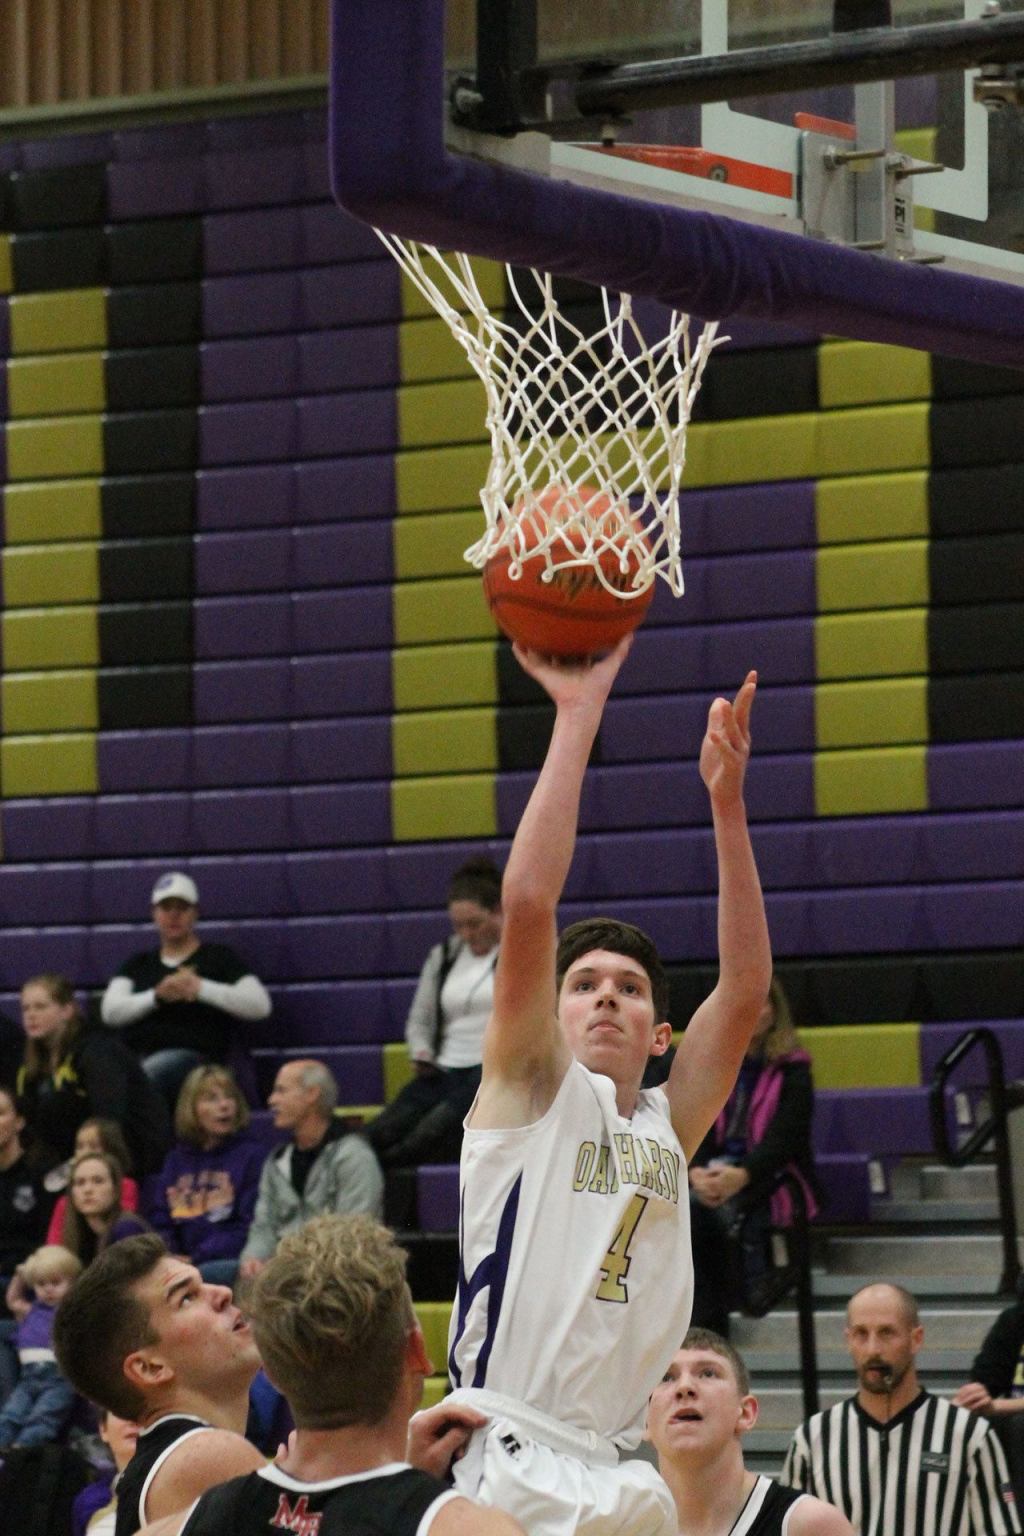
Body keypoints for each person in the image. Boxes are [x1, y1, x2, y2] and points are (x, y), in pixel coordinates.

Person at [445, 639, 772, 1536]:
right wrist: (578, 713)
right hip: (508, 1447)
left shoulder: (669, 1124)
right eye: (584, 984)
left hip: (619, 1464)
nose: (605, 998)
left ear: (660, 1034)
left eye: (628, 989)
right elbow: (527, 902)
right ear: (548, 1016)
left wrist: (728, 806)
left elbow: (745, 991)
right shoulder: (529, 1087)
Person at [53, 1231, 500, 1535]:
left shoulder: (176, 1457)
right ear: (150, 1369)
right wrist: (406, 1493)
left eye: (203, 1283)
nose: (221, 1293)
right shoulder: (208, 1455)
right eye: (186, 1297)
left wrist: (398, 1470)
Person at [781, 1281, 1021, 1536]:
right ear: (848, 1340)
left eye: (886, 1333)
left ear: (916, 1339)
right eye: (861, 1333)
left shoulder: (970, 1435)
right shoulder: (812, 1438)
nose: (873, 1349)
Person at [687, 976, 820, 1330]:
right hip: (716, 1172)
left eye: (762, 1003)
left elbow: (785, 1139)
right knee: (681, 1205)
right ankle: (702, 1316)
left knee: (724, 1211)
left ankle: (749, 1289)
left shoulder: (794, 1069)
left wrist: (742, 1175)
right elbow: (696, 1124)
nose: (753, 1011)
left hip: (768, 1174)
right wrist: (695, 1170)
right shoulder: (715, 1064)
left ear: (775, 1012)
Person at [647, 1328, 853, 1536]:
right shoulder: (630, 1525)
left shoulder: (809, 1524)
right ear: (644, 1421)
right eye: (666, 1377)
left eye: (708, 1373)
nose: (684, 1386)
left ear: (746, 1413)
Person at [368, 856, 503, 1169]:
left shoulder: (522, 952)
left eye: (475, 924)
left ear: (498, 911)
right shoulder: (443, 955)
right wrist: (422, 1050)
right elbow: (420, 1018)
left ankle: (378, 1174)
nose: (467, 934)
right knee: (380, 1131)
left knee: (428, 1134)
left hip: (491, 1072)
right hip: (443, 1069)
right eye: (458, 926)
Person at [99, 872, 272, 1106]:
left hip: (201, 1064)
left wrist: (200, 988)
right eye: (166, 908)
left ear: (195, 913)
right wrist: (156, 997)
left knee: (149, 1074)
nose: (174, 915)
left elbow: (260, 1006)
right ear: (154, 914)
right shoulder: (138, 964)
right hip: (144, 1059)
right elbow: (110, 1012)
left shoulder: (219, 958)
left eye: (182, 908)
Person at [238, 1059, 384, 1280]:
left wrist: (291, 1269)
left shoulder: (354, 1156)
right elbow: (263, 1226)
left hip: (340, 1277)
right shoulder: (277, 1160)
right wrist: (252, 1260)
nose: (271, 1100)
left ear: (312, 1094)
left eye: (281, 1090)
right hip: (285, 1275)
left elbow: (355, 1235)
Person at [17, 973, 170, 1176]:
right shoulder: (32, 1063)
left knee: (56, 1104)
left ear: (67, 1011)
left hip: (131, 1150)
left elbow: (109, 1118)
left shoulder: (98, 1050)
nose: (30, 1015)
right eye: (26, 1008)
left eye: (40, 1007)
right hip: (76, 1153)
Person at [146, 1065, 264, 1287]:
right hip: (181, 1263)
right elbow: (161, 1220)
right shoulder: (175, 1160)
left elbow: (247, 1226)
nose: (224, 1105)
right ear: (191, 1109)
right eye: (212, 1099)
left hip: (226, 1262)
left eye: (230, 1097)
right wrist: (171, 1254)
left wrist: (196, 1258)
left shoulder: (252, 1156)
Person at [0, 1243, 81, 1448]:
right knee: (11, 1414)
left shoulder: (71, 1311)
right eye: (41, 1283)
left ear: (72, 1282)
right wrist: (20, 1276)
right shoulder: (31, 1310)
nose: (48, 1289)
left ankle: (21, 1452)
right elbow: (13, 1300)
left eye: (56, 1282)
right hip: (28, 1378)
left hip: (59, 1378)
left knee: (44, 1417)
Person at [954, 1290, 1024, 1506]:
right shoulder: (1015, 1319)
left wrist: (997, 1405)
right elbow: (983, 1381)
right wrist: (967, 1401)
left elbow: (994, 1405)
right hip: (1013, 1428)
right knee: (965, 1427)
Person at [46, 1118, 141, 1246]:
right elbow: (53, 1246)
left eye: (94, 1147)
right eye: (80, 1147)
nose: (85, 1153)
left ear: (112, 1151)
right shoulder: (64, 1203)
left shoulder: (126, 1185)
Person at [57, 1150, 150, 1268]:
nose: (88, 1189)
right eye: (80, 1183)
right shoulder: (79, 1235)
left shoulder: (126, 1229)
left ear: (115, 1189)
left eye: (98, 1181)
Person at [0, 1084, 51, 1294]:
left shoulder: (41, 1174)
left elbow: (48, 1242)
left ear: (19, 1121)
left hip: (26, 1280)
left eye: (1, 1113)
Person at [71, 1410, 141, 1536]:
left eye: (143, 1410)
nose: (132, 1420)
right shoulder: (90, 1500)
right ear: (103, 1429)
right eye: (120, 1409)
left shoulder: (175, 1490)